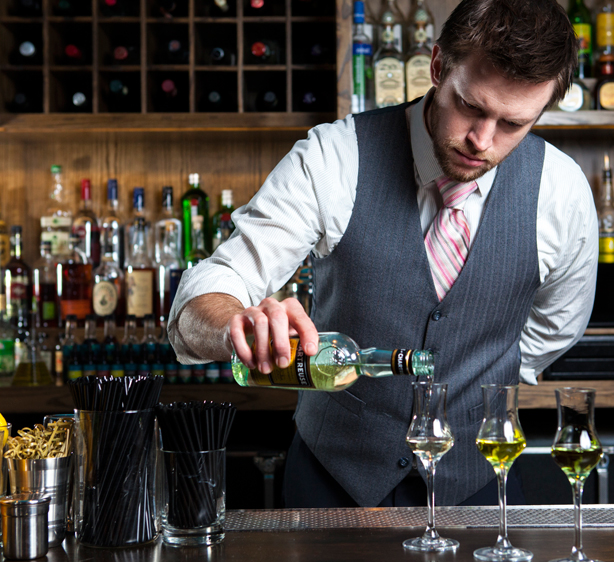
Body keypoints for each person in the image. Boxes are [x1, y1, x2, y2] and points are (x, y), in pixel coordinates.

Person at [168, 0, 598, 508]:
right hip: (330, 481)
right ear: (437, 67)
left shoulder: (561, 191)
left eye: (513, 124)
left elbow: (554, 329)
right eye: (471, 107)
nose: (482, 141)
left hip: (480, 483)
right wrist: (234, 324)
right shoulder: (334, 156)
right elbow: (208, 290)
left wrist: (479, 368)